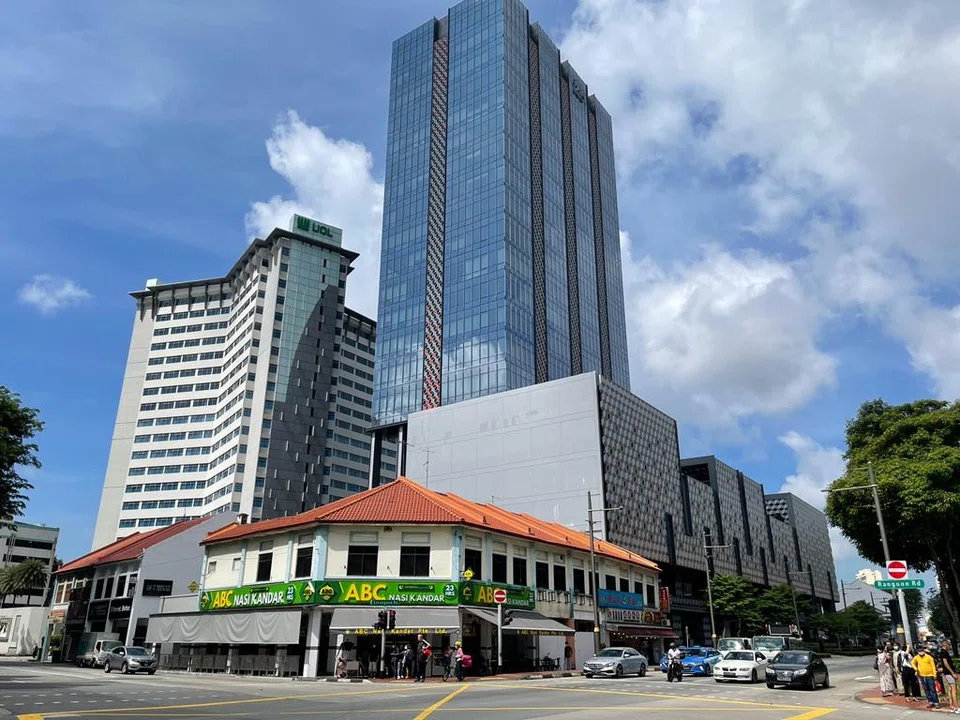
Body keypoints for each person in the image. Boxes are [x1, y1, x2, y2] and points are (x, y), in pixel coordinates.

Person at [913, 645, 940, 709]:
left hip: (930, 675)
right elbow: (913, 663)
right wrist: (916, 669)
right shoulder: (916, 657)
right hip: (922, 675)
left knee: (932, 689)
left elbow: (933, 666)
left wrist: (935, 675)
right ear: (917, 652)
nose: (921, 652)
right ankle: (930, 702)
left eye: (922, 651)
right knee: (926, 689)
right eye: (919, 651)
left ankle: (936, 702)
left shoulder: (929, 657)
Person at [939, 640, 958, 714]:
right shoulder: (944, 652)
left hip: (947, 673)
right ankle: (956, 707)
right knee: (954, 689)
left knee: (950, 689)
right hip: (949, 673)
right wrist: (953, 673)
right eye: (949, 645)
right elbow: (945, 663)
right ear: (946, 645)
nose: (949, 646)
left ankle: (952, 705)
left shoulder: (942, 652)